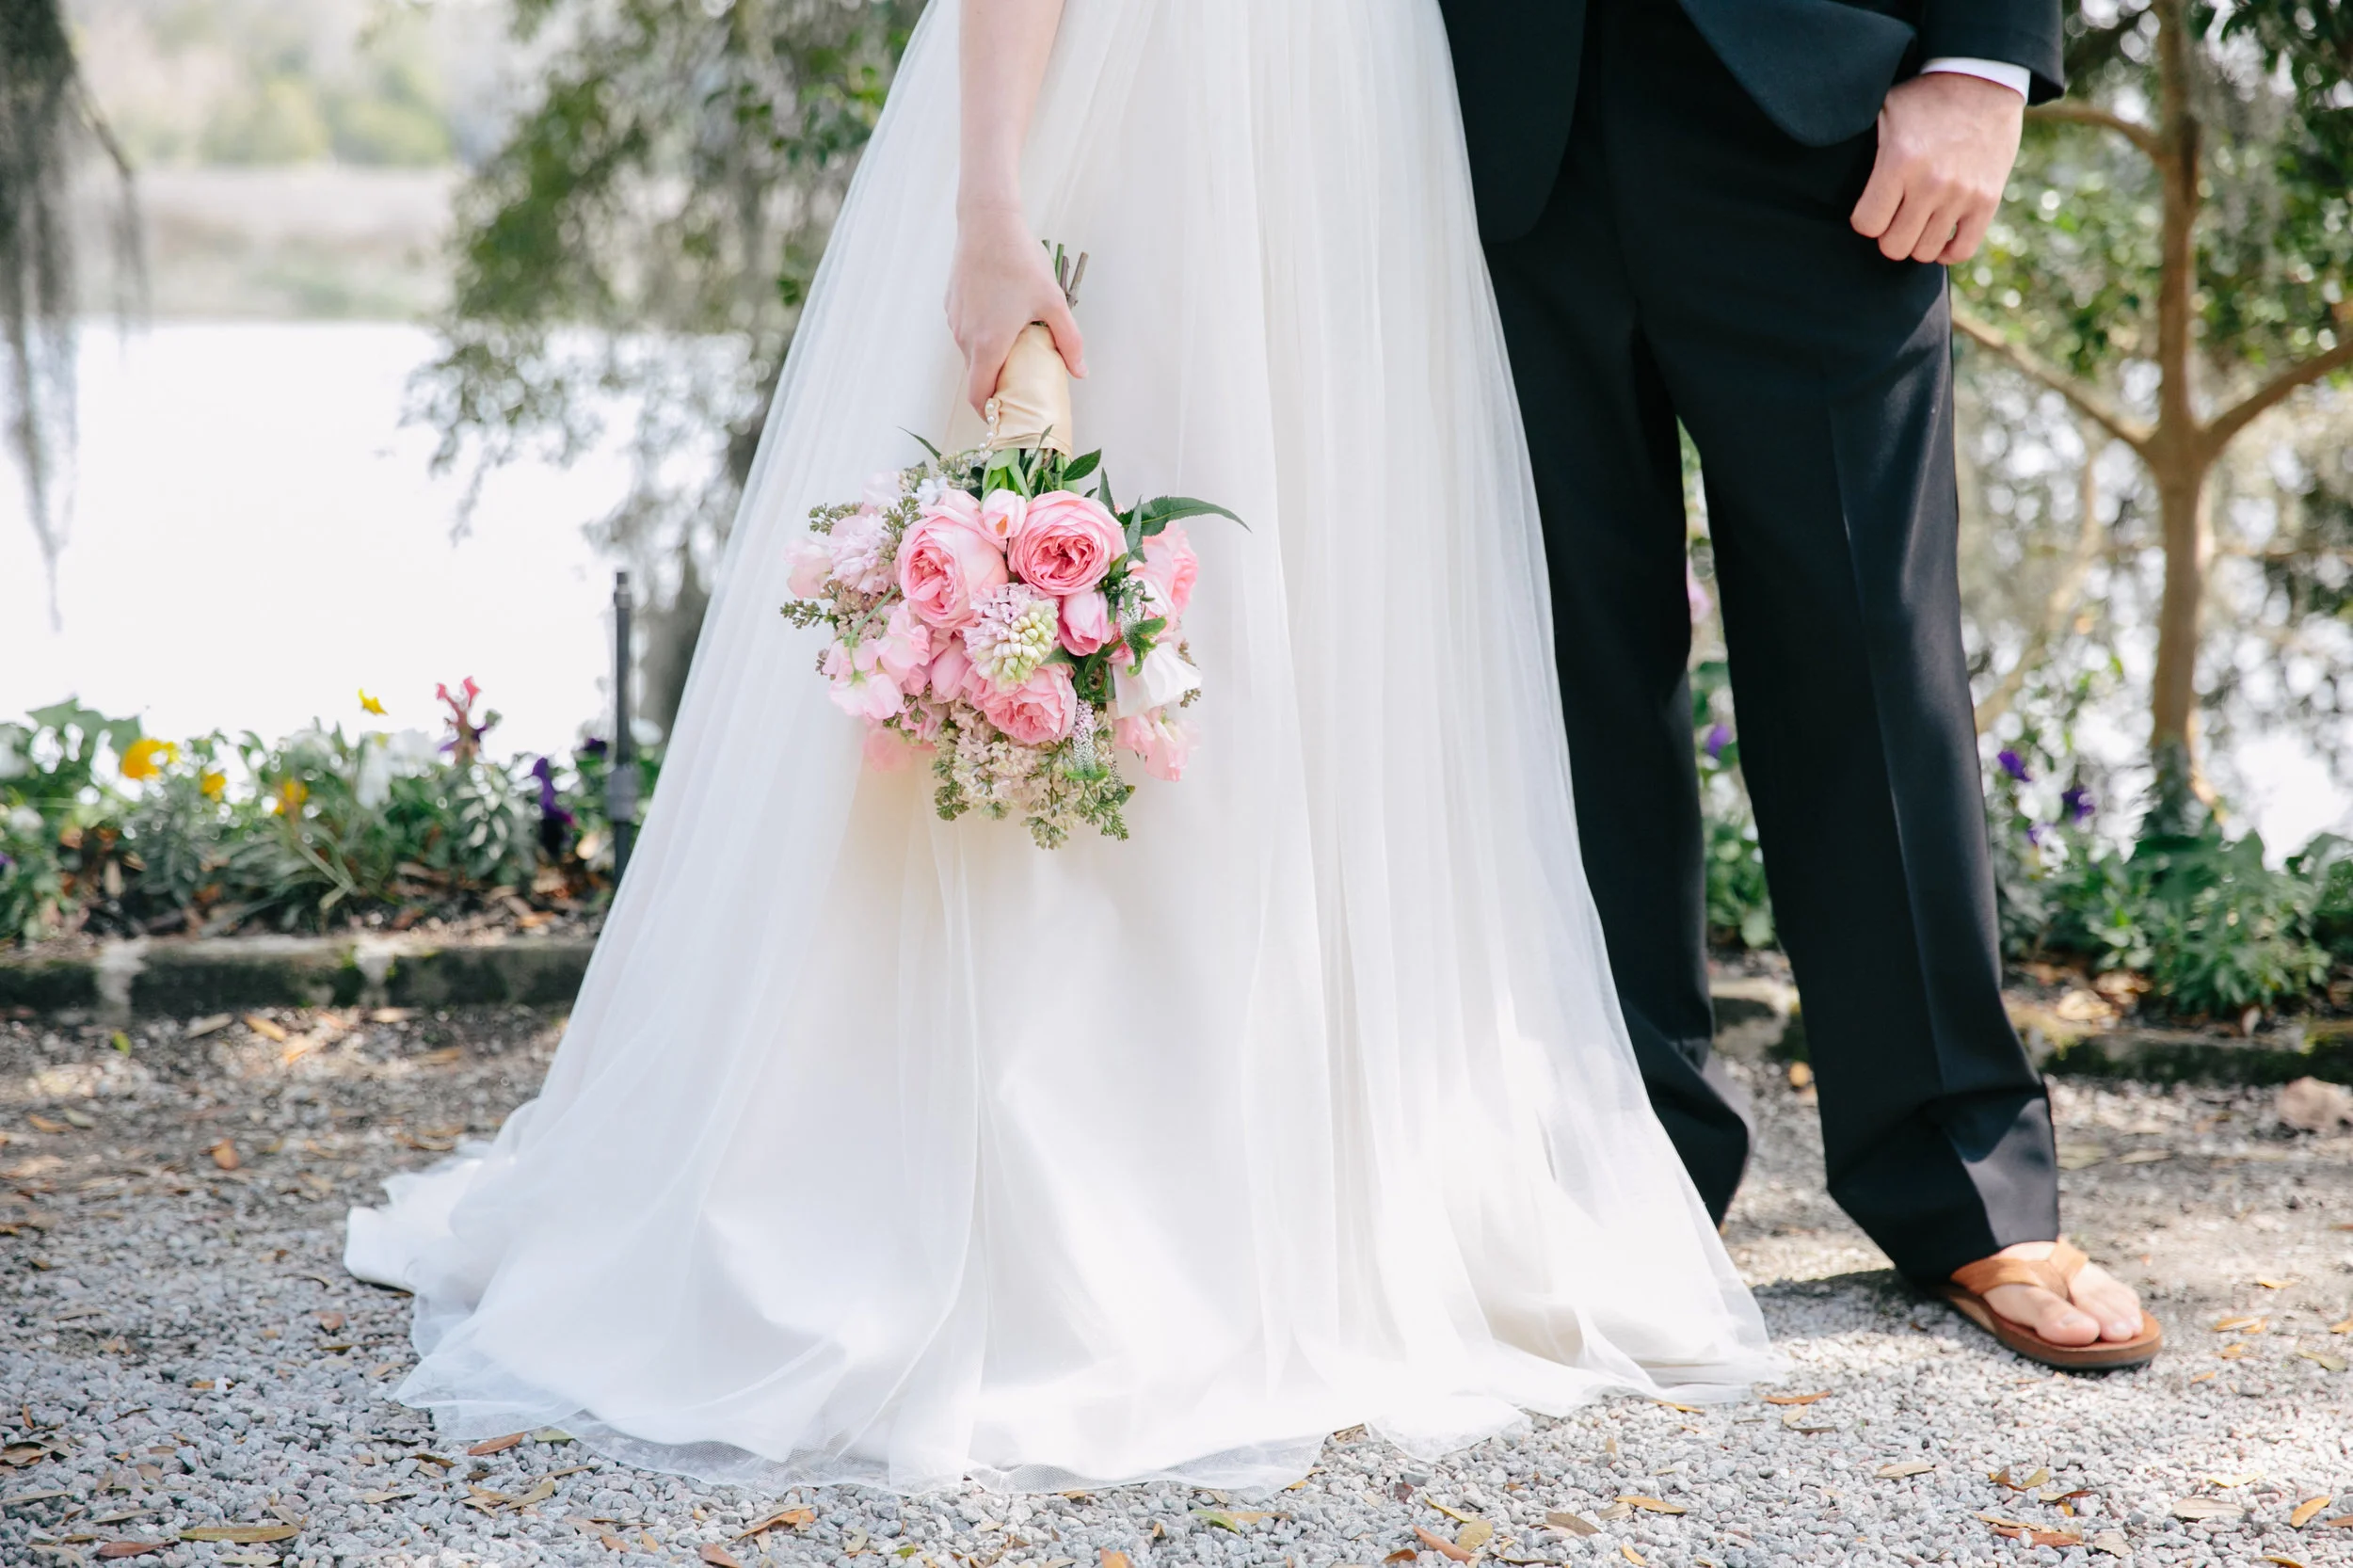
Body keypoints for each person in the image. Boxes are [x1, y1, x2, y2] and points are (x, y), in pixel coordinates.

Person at [345, 0, 1782, 1494]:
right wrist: (991, 205)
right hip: (1148, 104)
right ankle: (1064, 1200)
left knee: (1325, 606)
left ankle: (1315, 1186)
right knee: (1144, 533)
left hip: (1360, 116)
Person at [1441, 0, 2161, 1369]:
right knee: (1559, 671)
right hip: (1481, 104)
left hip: (1820, 104)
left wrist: (1981, 60)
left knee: (1871, 650)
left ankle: (1963, 1180)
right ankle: (1623, 1177)